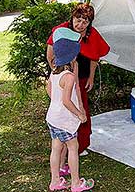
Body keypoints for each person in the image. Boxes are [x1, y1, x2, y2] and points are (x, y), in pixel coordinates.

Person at [46, 2, 110, 158]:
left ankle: (79, 146)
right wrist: (56, 74)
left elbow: (95, 57)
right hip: (64, 78)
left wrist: (91, 77)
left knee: (82, 110)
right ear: (72, 17)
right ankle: (62, 145)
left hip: (81, 78)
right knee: (64, 108)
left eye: (85, 22)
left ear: (89, 22)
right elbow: (50, 54)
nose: (80, 24)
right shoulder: (61, 31)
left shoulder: (91, 34)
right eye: (78, 19)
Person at [46, 28, 94, 191]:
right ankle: (75, 184)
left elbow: (50, 92)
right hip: (64, 120)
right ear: (71, 55)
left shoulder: (54, 72)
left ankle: (55, 181)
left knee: (56, 148)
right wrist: (79, 113)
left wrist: (57, 102)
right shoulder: (69, 76)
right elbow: (67, 101)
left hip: (53, 118)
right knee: (73, 148)